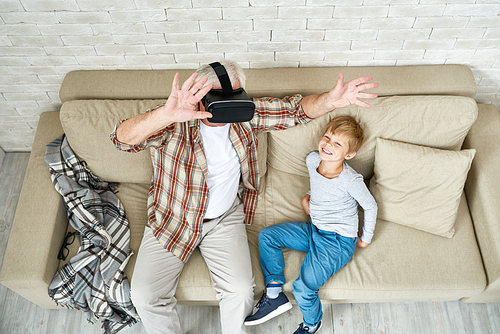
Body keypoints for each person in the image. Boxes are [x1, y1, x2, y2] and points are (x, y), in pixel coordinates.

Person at [110, 60, 378, 334]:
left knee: (240, 292)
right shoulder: (173, 120)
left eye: (235, 95)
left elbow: (294, 111)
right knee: (143, 295)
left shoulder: (245, 116)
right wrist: (164, 115)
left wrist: (331, 101)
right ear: (201, 96)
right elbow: (121, 139)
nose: (229, 104)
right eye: (219, 97)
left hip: (224, 219)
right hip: (171, 218)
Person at [244, 115, 378, 334]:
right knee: (267, 236)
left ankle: (311, 324)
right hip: (315, 229)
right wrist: (308, 200)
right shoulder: (313, 160)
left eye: (337, 144)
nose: (328, 145)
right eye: (327, 137)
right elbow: (320, 189)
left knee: (303, 288)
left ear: (349, 154)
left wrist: (364, 239)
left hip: (337, 241)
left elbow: (370, 206)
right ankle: (275, 295)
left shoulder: (350, 180)